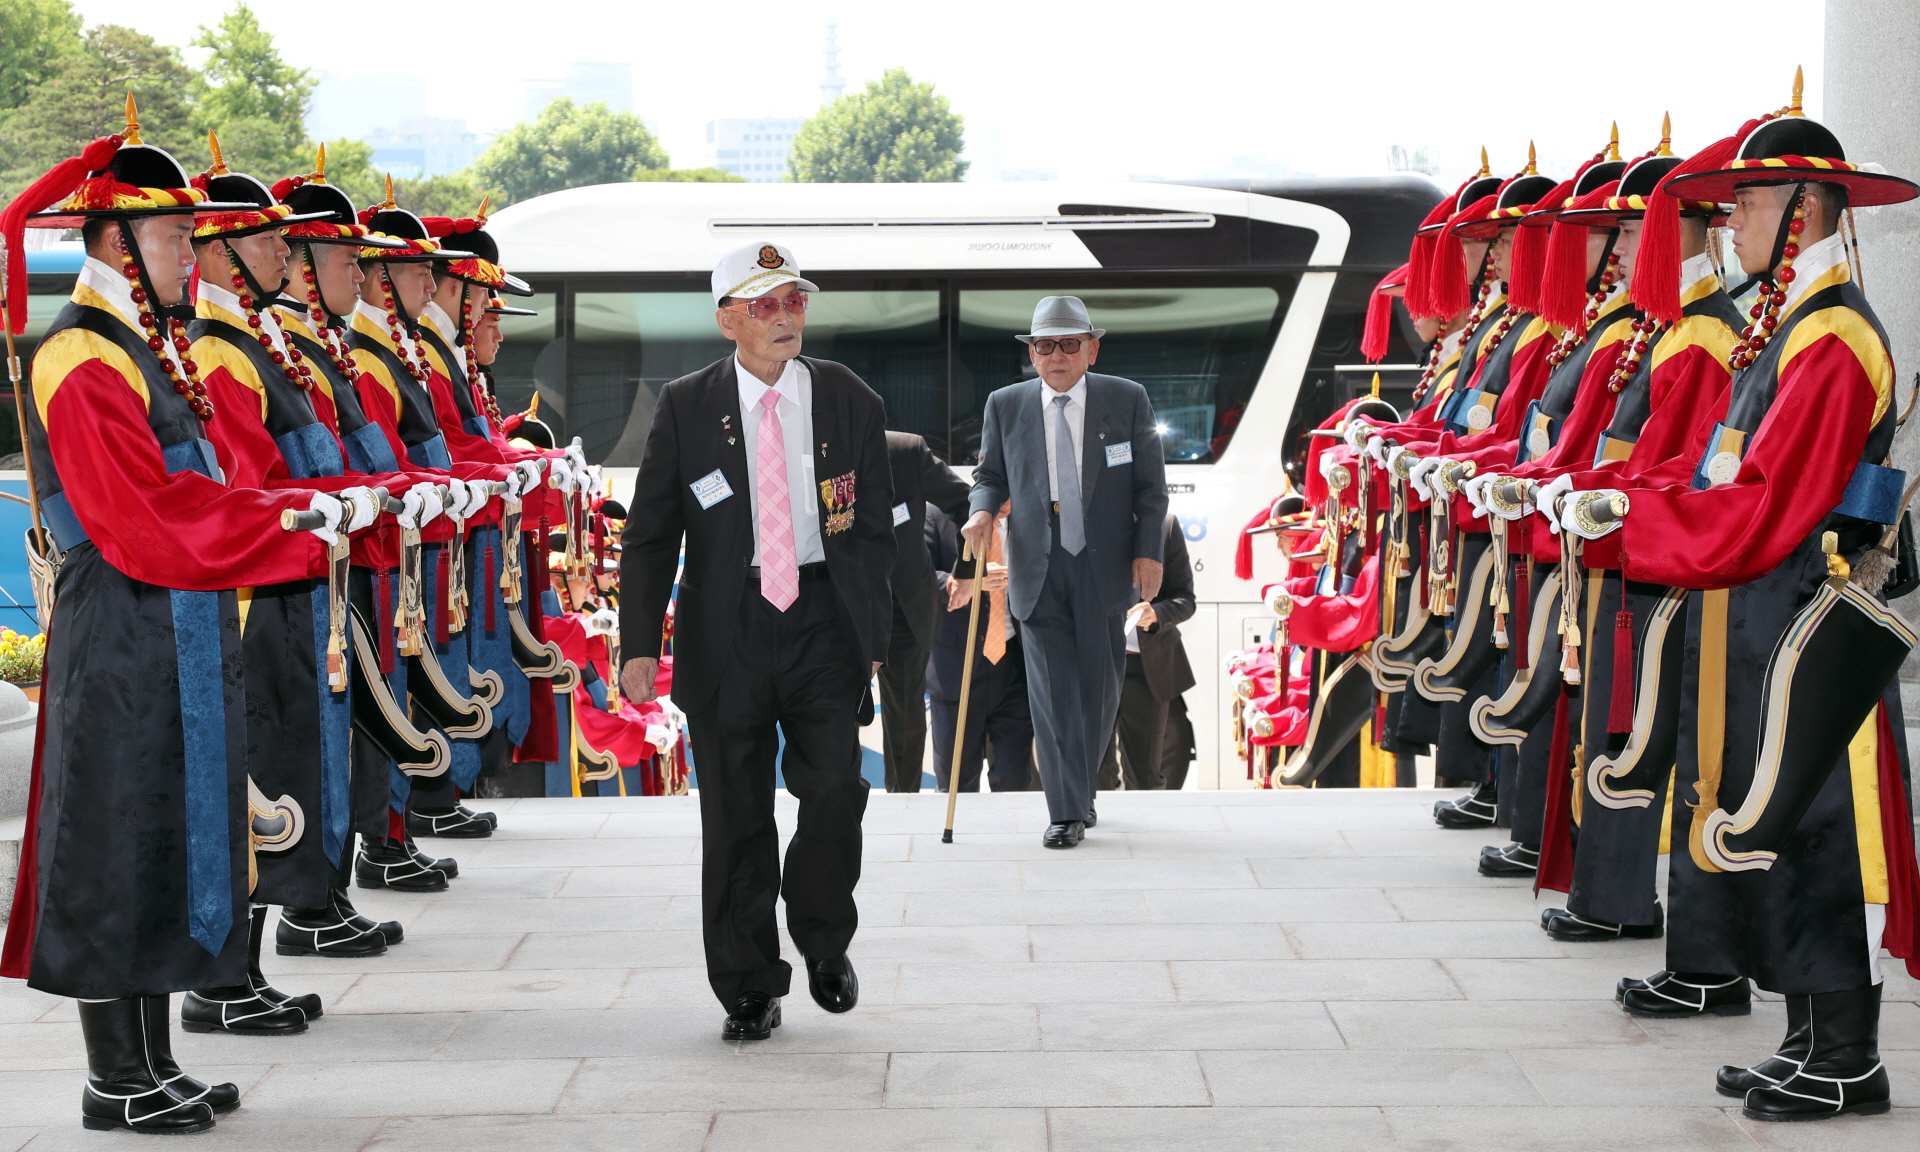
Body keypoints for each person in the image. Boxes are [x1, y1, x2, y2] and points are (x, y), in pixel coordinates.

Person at [1564, 84, 1920, 1119]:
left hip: (1802, 614)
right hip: (1762, 609)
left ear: (1800, 211)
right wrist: (1625, 499)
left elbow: (1769, 505)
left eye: (1746, 206)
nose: (1728, 224)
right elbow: (1728, 483)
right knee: (1781, 826)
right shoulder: (1795, 328)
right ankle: (1811, 1036)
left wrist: (1628, 519)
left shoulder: (1833, 341)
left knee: (1814, 829)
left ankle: (1847, 1052)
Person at [0, 111, 348, 1133]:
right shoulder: (77, 355)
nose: (192, 255)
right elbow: (144, 518)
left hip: (177, 620)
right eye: (173, 238)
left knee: (172, 837)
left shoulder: (140, 348)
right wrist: (290, 526)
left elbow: (201, 494)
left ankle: (152, 1061)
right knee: (117, 840)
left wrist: (289, 511)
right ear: (116, 244)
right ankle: (114, 1077)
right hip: (121, 627)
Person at [619, 241, 895, 1041]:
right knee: (735, 815)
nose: (785, 318)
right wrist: (640, 642)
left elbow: (875, 533)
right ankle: (747, 983)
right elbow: (649, 534)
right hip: (726, 627)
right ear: (727, 318)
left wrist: (872, 635)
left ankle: (822, 938)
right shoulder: (685, 404)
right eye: (765, 304)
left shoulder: (847, 398)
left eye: (795, 301)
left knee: (836, 790)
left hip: (821, 622)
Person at [963, 295, 1167, 848]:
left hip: (1103, 563)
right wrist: (981, 510)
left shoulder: (1126, 400)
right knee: (1051, 694)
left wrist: (1149, 552)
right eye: (1044, 345)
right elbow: (989, 474)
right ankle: (1066, 810)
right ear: (1031, 353)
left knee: (1100, 693)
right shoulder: (1005, 405)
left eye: (1068, 343)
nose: (1056, 355)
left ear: (1091, 349)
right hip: (1037, 562)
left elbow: (1152, 487)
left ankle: (1079, 790)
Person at [876, 431, 971, 791]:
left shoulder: (905, 450)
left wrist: (964, 572)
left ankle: (904, 805)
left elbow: (966, 503)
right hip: (832, 602)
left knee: (905, 720)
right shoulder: (808, 443)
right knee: (829, 716)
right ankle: (835, 809)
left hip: (905, 605)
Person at [926, 503, 1032, 792]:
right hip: (957, 669)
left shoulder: (1031, 517)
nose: (1008, 502)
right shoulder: (939, 515)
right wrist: (966, 582)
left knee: (1015, 779)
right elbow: (916, 575)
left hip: (1016, 667)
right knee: (956, 784)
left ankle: (1012, 837)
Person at [1098, 512, 1196, 789]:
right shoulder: (1083, 520)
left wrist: (1156, 613)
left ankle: (1144, 833)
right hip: (1095, 666)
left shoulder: (1164, 526)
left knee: (1145, 777)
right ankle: (1096, 831)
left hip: (1145, 669)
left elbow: (1185, 599)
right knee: (1094, 775)